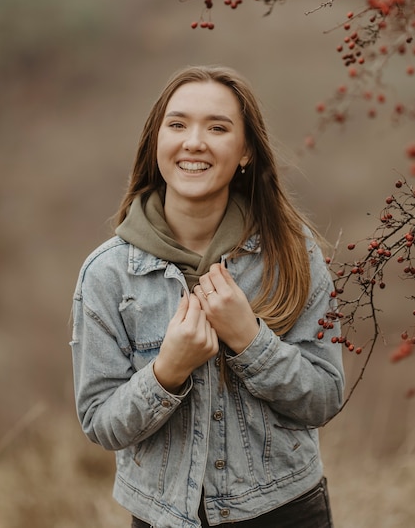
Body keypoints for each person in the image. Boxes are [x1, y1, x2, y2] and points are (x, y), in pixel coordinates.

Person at [71, 65, 344, 528]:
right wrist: (166, 372)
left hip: (285, 510)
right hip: (163, 517)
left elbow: (324, 397)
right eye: (177, 125)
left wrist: (251, 342)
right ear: (156, 143)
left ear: (246, 152)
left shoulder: (292, 254)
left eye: (217, 127)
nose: (194, 141)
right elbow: (100, 422)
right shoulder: (108, 274)